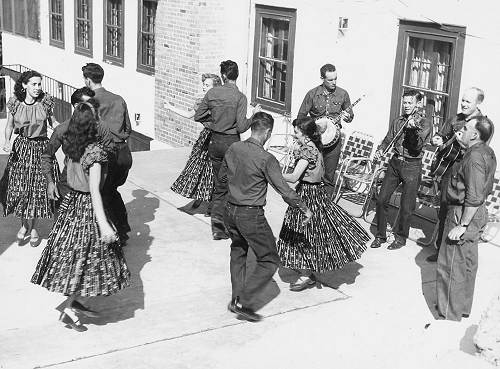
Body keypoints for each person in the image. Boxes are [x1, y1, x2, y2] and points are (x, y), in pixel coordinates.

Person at [31, 102, 130, 332]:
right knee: (95, 260)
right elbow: (95, 192)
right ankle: (69, 306)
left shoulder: (72, 146)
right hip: (87, 208)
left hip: (71, 204)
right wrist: (104, 225)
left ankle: (73, 302)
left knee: (77, 258)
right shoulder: (94, 154)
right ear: (92, 124)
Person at [219, 112, 312, 322]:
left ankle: (236, 299)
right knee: (269, 259)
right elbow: (284, 190)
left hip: (230, 210)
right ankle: (245, 302)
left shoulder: (234, 148)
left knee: (238, 252)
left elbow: (222, 178)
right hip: (250, 214)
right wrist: (303, 207)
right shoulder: (266, 159)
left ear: (252, 127)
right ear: (268, 132)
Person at [277, 117, 369, 291]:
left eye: (296, 131)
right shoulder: (314, 146)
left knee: (303, 233)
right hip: (315, 192)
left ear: (304, 134)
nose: (293, 134)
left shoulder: (307, 151)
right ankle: (308, 271)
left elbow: (295, 176)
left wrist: (273, 172)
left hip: (308, 194)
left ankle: (307, 274)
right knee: (313, 233)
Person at [436, 116, 496, 321]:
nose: (463, 129)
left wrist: (461, 225)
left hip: (464, 212)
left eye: (468, 128)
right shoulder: (486, 151)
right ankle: (461, 308)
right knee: (467, 263)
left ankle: (448, 314)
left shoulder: (474, 158)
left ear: (476, 134)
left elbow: (474, 194)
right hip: (477, 212)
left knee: (451, 264)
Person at [194, 60, 259, 240]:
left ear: (222, 75)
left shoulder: (213, 93)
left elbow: (198, 115)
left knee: (219, 184)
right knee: (234, 184)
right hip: (232, 144)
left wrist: (214, 121)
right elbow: (241, 127)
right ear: (236, 75)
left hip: (215, 142)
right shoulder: (240, 97)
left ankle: (217, 228)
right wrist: (253, 115)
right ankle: (232, 226)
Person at [427, 87, 488, 262]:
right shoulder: (455, 119)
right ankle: (440, 251)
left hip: (466, 175)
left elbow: (479, 151)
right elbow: (441, 135)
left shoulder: (482, 125)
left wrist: (463, 144)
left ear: (478, 103)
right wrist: (437, 139)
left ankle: (453, 255)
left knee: (458, 214)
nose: (463, 103)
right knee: (444, 211)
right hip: (448, 171)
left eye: (468, 101)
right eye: (463, 100)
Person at [1, 70, 59, 246]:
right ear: (25, 85)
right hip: (22, 148)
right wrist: (6, 140)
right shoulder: (15, 103)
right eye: (34, 84)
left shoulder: (45, 102)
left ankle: (33, 228)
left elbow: (53, 123)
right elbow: (9, 126)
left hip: (42, 149)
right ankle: (24, 225)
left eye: (39, 84)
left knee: (37, 192)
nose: (37, 88)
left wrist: (65, 129)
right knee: (22, 190)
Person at [371, 89, 432, 250]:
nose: (406, 106)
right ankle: (380, 235)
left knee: (407, 205)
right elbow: (389, 138)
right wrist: (380, 149)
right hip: (395, 163)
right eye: (404, 102)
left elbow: (417, 147)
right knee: (382, 198)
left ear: (418, 104)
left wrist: (412, 130)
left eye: (409, 103)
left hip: (412, 165)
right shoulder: (399, 121)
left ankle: (401, 237)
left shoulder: (424, 123)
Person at [82, 63, 132, 244]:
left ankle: (115, 231)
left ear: (88, 80)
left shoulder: (90, 102)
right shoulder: (118, 98)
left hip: (106, 152)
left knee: (102, 192)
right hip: (124, 153)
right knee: (111, 190)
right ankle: (123, 229)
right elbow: (128, 129)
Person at [41, 87, 115, 210]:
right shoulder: (62, 129)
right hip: (69, 179)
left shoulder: (101, 127)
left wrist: (96, 158)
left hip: (95, 177)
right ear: (76, 106)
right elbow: (47, 155)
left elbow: (112, 151)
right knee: (63, 221)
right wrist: (50, 182)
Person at [297, 63, 354, 197]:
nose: (334, 82)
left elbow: (350, 116)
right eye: (330, 79)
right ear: (322, 78)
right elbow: (301, 118)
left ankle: (325, 206)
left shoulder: (343, 94)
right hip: (316, 140)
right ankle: (307, 201)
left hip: (334, 142)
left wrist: (347, 117)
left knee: (329, 176)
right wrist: (314, 127)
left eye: (335, 78)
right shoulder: (312, 94)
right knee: (311, 172)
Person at [169, 73, 222, 212]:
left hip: (219, 137)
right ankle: (199, 197)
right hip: (206, 137)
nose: (204, 87)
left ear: (215, 87)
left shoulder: (222, 101)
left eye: (207, 85)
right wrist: (170, 107)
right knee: (198, 167)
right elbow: (188, 115)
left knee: (213, 170)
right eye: (203, 85)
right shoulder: (201, 102)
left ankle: (212, 202)